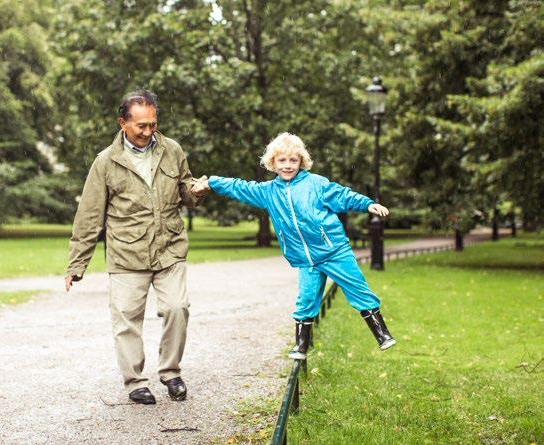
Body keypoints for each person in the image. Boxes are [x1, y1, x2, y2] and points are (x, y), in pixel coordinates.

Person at [191, 132, 395, 359]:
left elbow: (343, 196)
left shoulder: (316, 184)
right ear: (273, 163)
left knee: (358, 290)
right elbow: (240, 187)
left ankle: (382, 334)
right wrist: (212, 183)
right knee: (306, 299)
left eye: (293, 160)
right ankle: (301, 346)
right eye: (282, 161)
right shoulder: (267, 192)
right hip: (305, 258)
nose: (288, 166)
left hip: (334, 251)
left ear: (301, 161)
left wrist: (368, 205)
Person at [65, 89, 204, 405]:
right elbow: (89, 215)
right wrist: (77, 264)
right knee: (127, 321)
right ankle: (135, 382)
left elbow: (186, 191)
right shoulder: (105, 161)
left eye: (152, 124)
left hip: (169, 247)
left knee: (177, 309)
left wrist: (197, 191)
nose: (148, 131)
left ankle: (171, 373)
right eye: (141, 125)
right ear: (122, 123)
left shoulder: (172, 150)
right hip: (127, 254)